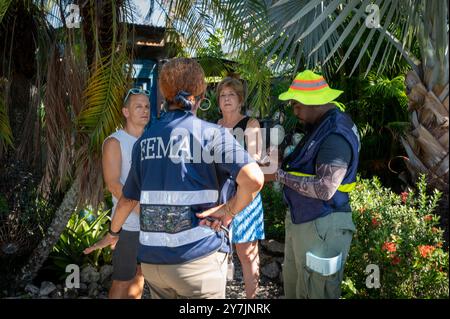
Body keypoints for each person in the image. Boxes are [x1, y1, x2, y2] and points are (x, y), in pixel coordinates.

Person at [84, 57, 264, 299]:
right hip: (197, 260)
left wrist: (113, 232)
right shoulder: (212, 134)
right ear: (201, 94)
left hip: (154, 266)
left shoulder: (144, 141)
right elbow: (254, 179)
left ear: (164, 93)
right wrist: (229, 211)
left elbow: (127, 199)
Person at [273, 70, 360, 299]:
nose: (294, 110)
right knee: (297, 287)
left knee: (316, 292)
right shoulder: (322, 126)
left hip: (324, 226)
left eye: (296, 104)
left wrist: (278, 175)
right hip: (307, 222)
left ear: (311, 102)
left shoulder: (335, 134)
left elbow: (325, 188)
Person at [216, 77, 265, 299]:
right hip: (220, 196)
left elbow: (253, 161)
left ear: (240, 100)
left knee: (246, 252)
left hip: (245, 195)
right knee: (218, 251)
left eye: (231, 95)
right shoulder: (215, 126)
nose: (226, 99)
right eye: (222, 95)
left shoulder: (250, 124)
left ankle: (251, 300)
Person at [101, 88, 150, 298]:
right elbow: (114, 185)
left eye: (147, 106)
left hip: (150, 227)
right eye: (138, 106)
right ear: (126, 112)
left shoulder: (153, 141)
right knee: (122, 282)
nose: (144, 110)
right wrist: (146, 213)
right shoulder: (115, 142)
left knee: (140, 277)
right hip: (128, 225)